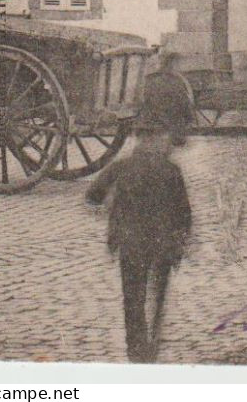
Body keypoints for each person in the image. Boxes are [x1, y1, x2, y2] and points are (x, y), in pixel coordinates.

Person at [85, 126, 192, 362]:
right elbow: (184, 212)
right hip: (162, 244)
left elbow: (93, 195)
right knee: (158, 294)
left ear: (138, 141)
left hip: (130, 242)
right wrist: (182, 242)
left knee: (133, 297)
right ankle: (152, 340)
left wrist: (109, 208)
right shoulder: (171, 170)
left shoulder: (122, 167)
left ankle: (136, 348)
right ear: (157, 140)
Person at [137, 50, 196, 146]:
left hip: (153, 113)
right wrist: (189, 117)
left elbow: (145, 97)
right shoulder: (177, 79)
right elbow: (184, 101)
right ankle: (177, 135)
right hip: (170, 113)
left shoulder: (150, 77)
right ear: (173, 63)